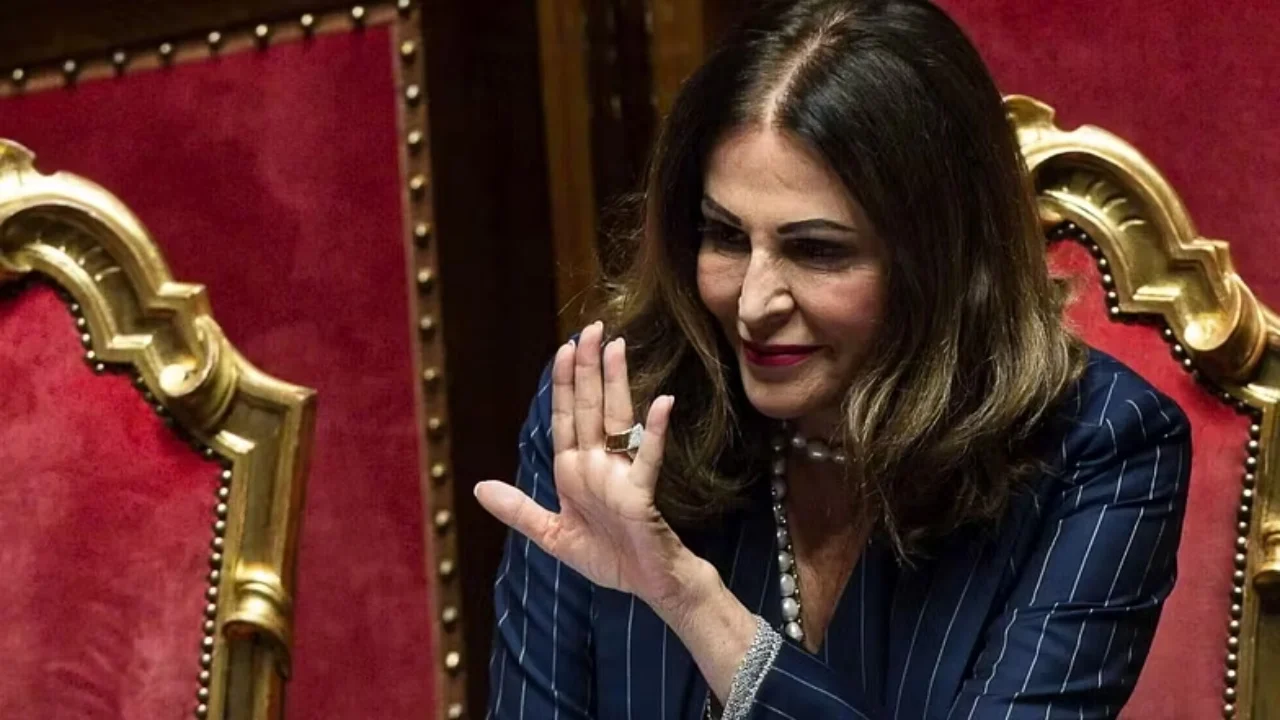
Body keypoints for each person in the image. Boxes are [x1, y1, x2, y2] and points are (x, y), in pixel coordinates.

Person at [474, 0, 1192, 717]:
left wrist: (688, 598)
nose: (754, 303)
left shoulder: (1099, 446)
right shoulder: (610, 413)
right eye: (725, 236)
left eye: (816, 250)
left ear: (942, 260)